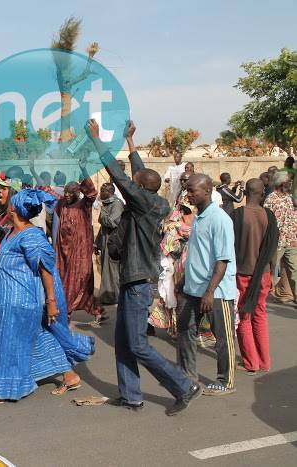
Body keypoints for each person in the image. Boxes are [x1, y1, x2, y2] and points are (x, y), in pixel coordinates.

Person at [86, 119, 200, 416]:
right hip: (132, 278)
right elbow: (139, 176)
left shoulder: (145, 204)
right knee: (123, 341)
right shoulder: (153, 200)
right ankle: (131, 396)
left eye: (135, 185)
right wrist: (131, 143)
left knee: (137, 344)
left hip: (138, 281)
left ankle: (184, 386)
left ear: (140, 190)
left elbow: (122, 178)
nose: (131, 186)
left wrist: (98, 140)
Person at [0, 188, 95, 404]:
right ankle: (70, 375)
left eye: (10, 202)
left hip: (20, 302)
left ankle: (1, 392)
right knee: (39, 338)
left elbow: (46, 270)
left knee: (7, 345)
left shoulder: (31, 236)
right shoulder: (14, 231)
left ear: (14, 209)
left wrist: (51, 302)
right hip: (11, 300)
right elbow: (3, 237)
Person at [177, 173, 238, 396]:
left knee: (223, 338)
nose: (189, 194)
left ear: (208, 190)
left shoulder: (220, 219)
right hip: (193, 288)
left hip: (216, 291)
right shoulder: (199, 217)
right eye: (187, 190)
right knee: (185, 332)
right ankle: (187, 376)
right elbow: (198, 255)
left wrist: (210, 291)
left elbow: (222, 259)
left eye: (193, 190)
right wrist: (184, 281)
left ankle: (226, 381)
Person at [231, 179, 278, 374]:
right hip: (264, 274)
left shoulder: (237, 215)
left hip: (243, 275)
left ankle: (251, 362)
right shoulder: (269, 215)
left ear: (246, 192)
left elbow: (230, 247)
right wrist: (272, 275)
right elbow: (272, 249)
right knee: (260, 316)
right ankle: (265, 361)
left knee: (244, 317)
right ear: (261, 193)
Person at [53, 164, 104, 323]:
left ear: (78, 193)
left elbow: (92, 193)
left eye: (70, 193)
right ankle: (95, 309)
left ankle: (66, 312)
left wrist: (84, 170)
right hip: (62, 252)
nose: (67, 195)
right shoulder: (61, 204)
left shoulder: (84, 206)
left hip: (79, 252)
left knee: (77, 280)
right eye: (66, 192)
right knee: (62, 280)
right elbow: (47, 192)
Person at [149, 199, 195, 338]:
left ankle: (184, 329)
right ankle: (178, 329)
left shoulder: (181, 225)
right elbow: (167, 248)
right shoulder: (174, 226)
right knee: (177, 297)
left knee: (181, 298)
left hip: (188, 267)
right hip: (177, 267)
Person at [264, 171, 297, 304]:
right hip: (276, 242)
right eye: (289, 181)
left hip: (291, 240)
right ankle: (266, 294)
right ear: (283, 183)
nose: (290, 183)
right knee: (273, 269)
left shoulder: (290, 198)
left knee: (294, 269)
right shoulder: (270, 199)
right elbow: (266, 221)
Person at [95, 183, 124, 305]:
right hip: (105, 240)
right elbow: (103, 227)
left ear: (109, 191)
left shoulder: (116, 204)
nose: (100, 193)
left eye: (102, 190)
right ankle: (107, 296)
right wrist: (97, 243)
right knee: (106, 269)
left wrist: (102, 214)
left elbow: (112, 222)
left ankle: (115, 296)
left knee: (113, 270)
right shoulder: (107, 204)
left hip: (114, 242)